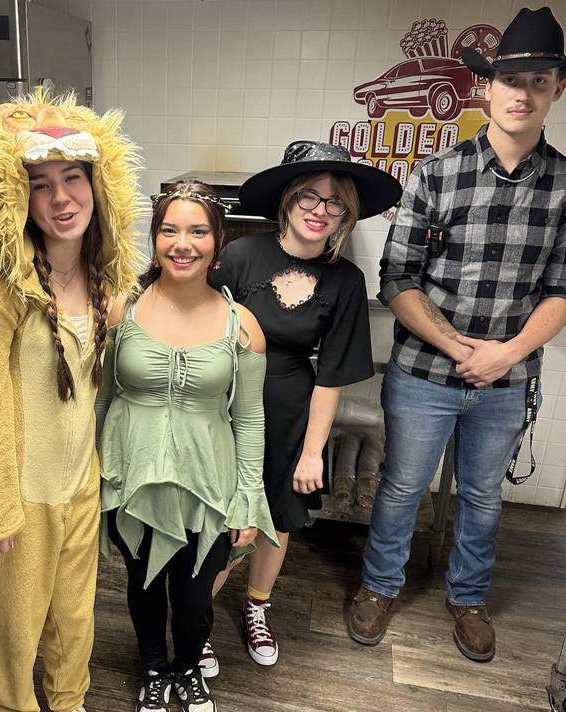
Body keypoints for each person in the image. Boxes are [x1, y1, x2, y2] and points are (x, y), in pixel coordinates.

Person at [348, 6, 566, 663]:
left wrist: (507, 353)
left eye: (539, 81)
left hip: (508, 379)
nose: (522, 93)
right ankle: (379, 587)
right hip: (422, 376)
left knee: (481, 498)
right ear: (487, 88)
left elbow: (561, 290)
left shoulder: (565, 186)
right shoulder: (437, 172)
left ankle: (468, 600)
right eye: (510, 80)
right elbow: (397, 276)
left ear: (557, 90)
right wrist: (456, 347)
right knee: (400, 489)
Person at [0, 89, 142, 712]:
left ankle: (70, 704)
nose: (61, 198)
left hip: (78, 489)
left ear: (98, 184)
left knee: (75, 624)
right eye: (40, 184)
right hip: (21, 499)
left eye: (73, 178)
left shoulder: (106, 281)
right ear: (17, 197)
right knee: (12, 641)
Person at [209, 142, 402, 668]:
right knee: (217, 515)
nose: (320, 210)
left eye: (334, 202)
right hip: (224, 407)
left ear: (347, 214)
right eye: (310, 197)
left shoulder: (345, 281)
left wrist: (314, 452)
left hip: (294, 407)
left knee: (278, 515)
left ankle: (256, 606)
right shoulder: (242, 256)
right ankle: (195, 614)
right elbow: (193, 326)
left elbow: (332, 376)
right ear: (288, 201)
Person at [95, 182, 278, 712]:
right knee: (144, 585)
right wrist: (93, 477)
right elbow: (101, 402)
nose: (183, 243)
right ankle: (153, 666)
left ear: (217, 243)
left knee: (196, 596)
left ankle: (188, 664)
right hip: (132, 478)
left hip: (208, 481)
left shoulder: (242, 324)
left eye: (197, 231)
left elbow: (248, 419)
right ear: (154, 241)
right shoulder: (120, 310)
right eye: (169, 230)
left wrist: (247, 494)